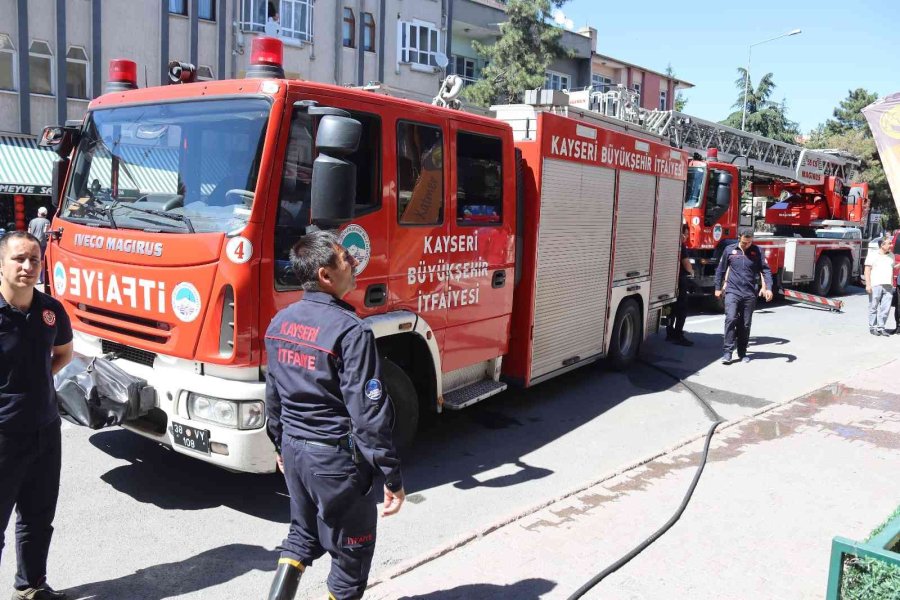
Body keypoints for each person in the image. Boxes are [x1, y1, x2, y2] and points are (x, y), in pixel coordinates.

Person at [264, 230, 405, 600]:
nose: (354, 262)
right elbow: (368, 413)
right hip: (335, 461)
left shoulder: (280, 323)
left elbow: (273, 395)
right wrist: (390, 474)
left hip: (295, 453)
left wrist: (280, 445)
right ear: (325, 275)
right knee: (350, 563)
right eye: (345, 258)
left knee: (300, 537)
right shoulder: (351, 330)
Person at [0, 231, 73, 600]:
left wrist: (37, 382)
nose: (27, 266)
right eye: (19, 259)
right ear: (2, 264)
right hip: (3, 435)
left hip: (46, 428)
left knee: (38, 516)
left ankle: (30, 586)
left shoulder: (50, 310)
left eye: (34, 259)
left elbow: (63, 353)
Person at [714, 228, 773, 364]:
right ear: (739, 238)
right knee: (730, 318)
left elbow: (765, 271)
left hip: (749, 293)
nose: (747, 245)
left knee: (745, 324)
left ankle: (742, 352)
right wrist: (717, 288)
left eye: (749, 242)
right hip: (732, 291)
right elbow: (721, 270)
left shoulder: (757, 251)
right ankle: (727, 352)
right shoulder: (729, 250)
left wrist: (768, 288)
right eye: (744, 242)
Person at [666, 224, 694, 346]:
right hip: (680, 280)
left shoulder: (670, 244)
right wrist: (692, 272)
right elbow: (686, 263)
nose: (687, 237)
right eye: (686, 234)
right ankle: (678, 335)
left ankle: (669, 333)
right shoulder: (681, 246)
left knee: (671, 308)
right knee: (682, 309)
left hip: (669, 279)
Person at [864, 235, 895, 336]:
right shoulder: (873, 255)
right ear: (882, 245)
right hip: (875, 284)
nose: (891, 245)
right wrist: (868, 285)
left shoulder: (891, 255)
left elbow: (892, 268)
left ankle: (881, 327)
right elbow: (867, 270)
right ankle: (872, 327)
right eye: (889, 243)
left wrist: (892, 284)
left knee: (886, 308)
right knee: (873, 306)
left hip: (888, 286)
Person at [27, 208, 51, 285]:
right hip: (42, 244)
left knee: (32, 260)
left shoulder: (32, 221)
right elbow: (46, 233)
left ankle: (33, 278)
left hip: (32, 243)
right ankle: (42, 278)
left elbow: (29, 233)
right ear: (46, 214)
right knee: (42, 261)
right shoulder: (47, 221)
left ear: (38, 213)